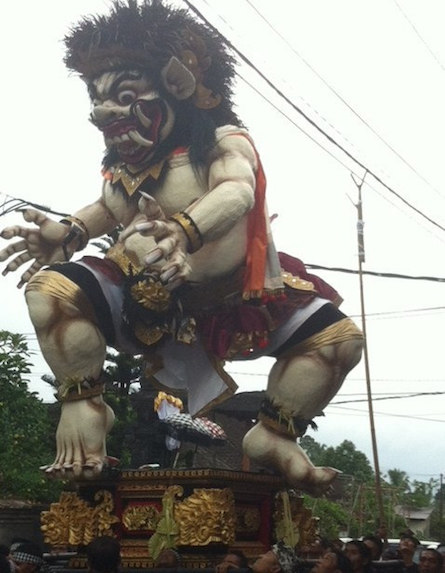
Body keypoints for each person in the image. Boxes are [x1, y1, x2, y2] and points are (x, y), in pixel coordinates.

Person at [0, 0, 363, 496]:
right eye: (98, 98)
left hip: (231, 291)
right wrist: (67, 232)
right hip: (146, 294)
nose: (103, 112)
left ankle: (274, 434)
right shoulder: (124, 168)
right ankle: (84, 403)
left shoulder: (221, 142)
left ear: (179, 85)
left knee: (338, 341)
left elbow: (237, 191)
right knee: (49, 290)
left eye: (126, 95)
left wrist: (186, 229)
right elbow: (104, 209)